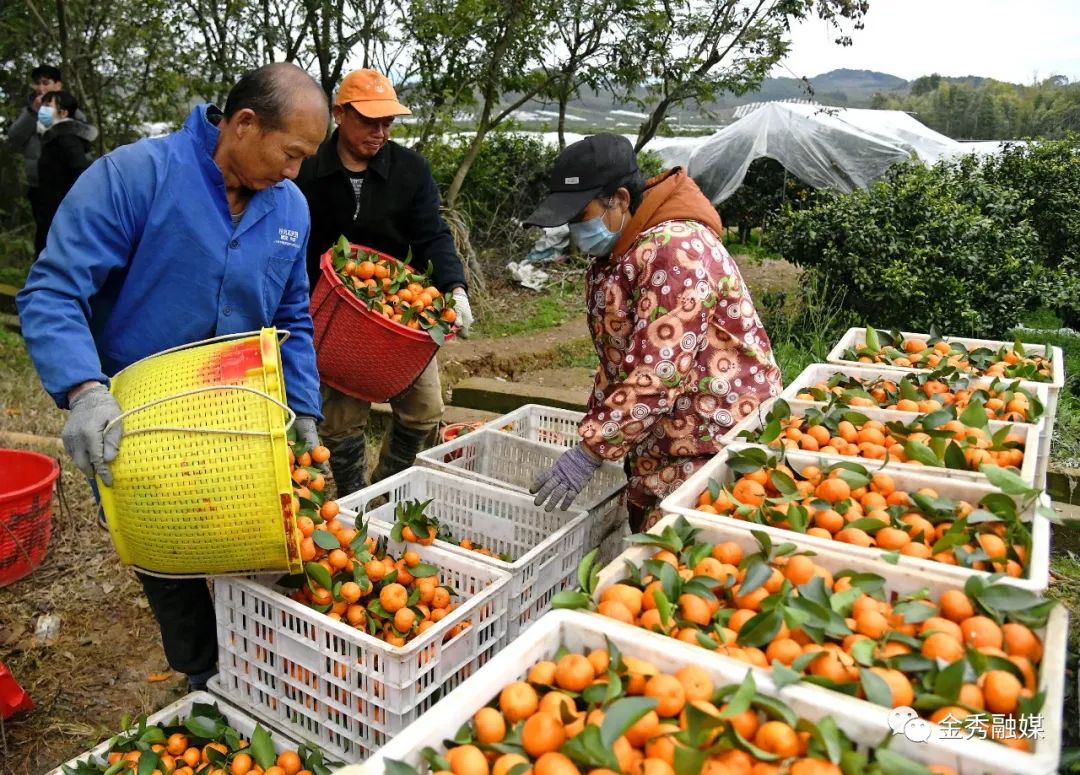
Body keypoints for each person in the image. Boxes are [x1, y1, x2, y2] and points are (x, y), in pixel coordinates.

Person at [16, 62, 330, 692]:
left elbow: (292, 313)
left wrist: (304, 412)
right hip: (146, 426)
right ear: (244, 124)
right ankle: (203, 677)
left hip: (243, 423)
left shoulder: (289, 207)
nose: (294, 172)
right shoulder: (135, 178)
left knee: (264, 549)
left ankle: (265, 669)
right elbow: (53, 289)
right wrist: (84, 390)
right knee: (173, 559)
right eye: (291, 153)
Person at [525, 134, 783, 531]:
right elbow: (621, 358)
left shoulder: (676, 250)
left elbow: (659, 371)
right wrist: (599, 427)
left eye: (582, 215)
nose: (576, 229)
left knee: (678, 554)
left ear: (622, 199)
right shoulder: (619, 251)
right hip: (667, 432)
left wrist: (594, 448)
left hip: (714, 437)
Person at [295, 69, 474, 494]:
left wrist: (455, 287)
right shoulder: (308, 168)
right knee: (341, 419)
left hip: (400, 310)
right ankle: (355, 496)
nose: (380, 132)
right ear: (340, 114)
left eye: (387, 123)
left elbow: (432, 234)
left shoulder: (409, 171)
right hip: (334, 311)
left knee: (425, 410)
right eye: (369, 121)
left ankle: (387, 487)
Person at [5, 64, 97, 256]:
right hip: (38, 185)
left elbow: (79, 149)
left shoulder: (68, 109)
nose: (40, 88)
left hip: (63, 188)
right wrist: (33, 112)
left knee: (57, 238)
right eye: (37, 83)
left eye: (46, 83)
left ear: (57, 85)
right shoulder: (32, 111)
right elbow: (13, 139)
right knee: (43, 235)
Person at [34, 91, 95, 241]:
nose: (43, 109)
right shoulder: (53, 138)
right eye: (43, 105)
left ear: (63, 113)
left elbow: (80, 173)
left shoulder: (67, 139)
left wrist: (67, 207)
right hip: (50, 211)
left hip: (61, 214)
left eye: (48, 105)